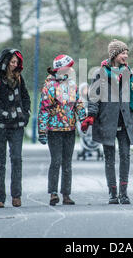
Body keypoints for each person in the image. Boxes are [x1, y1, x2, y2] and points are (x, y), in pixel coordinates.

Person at [82, 39, 133, 205]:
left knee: (125, 156)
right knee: (109, 158)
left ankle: (124, 193)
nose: (126, 56)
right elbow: (94, 98)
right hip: (107, 121)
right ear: (114, 55)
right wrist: (91, 116)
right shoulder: (99, 73)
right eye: (123, 53)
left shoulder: (129, 74)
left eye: (127, 53)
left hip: (126, 121)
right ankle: (112, 193)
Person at [0, 48, 31, 208]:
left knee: (16, 159)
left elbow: (26, 97)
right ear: (5, 61)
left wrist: (26, 113)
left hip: (17, 126)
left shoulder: (19, 79)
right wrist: (1, 113)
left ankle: (16, 195)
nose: (14, 65)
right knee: (0, 161)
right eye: (12, 61)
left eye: (17, 62)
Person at [37, 55, 86, 206]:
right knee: (56, 161)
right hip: (54, 129)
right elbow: (44, 109)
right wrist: (42, 130)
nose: (72, 69)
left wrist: (83, 119)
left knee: (67, 162)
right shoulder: (49, 86)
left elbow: (78, 103)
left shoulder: (72, 85)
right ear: (61, 69)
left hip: (69, 128)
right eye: (69, 66)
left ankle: (66, 194)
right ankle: (53, 193)